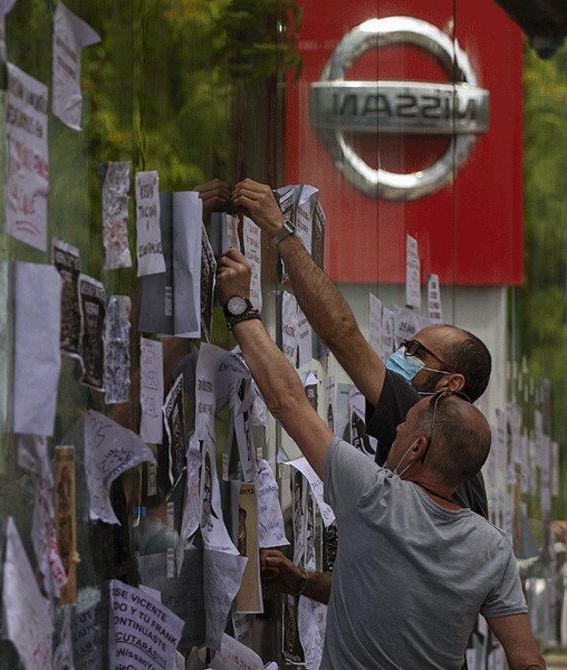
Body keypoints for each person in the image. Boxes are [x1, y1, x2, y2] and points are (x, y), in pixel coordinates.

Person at [215, 248, 544, 669]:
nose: (394, 430)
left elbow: (288, 400)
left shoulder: (373, 496)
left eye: (405, 425)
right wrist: (305, 583)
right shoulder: (492, 548)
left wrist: (240, 308)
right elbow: (526, 660)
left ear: (418, 448)